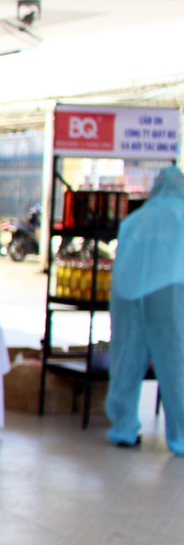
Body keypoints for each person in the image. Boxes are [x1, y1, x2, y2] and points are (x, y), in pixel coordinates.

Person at [107, 166, 184, 454]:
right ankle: (179, 437)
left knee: (125, 359)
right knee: (176, 364)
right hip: (170, 293)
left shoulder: (133, 220)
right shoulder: (181, 216)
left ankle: (123, 428)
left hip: (127, 294)